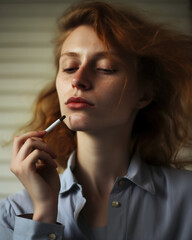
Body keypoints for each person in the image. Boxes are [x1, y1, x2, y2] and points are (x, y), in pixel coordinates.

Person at [1, 1, 192, 239]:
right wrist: (43, 216)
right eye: (70, 67)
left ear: (144, 93)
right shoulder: (14, 215)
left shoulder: (188, 201)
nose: (78, 80)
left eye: (105, 68)